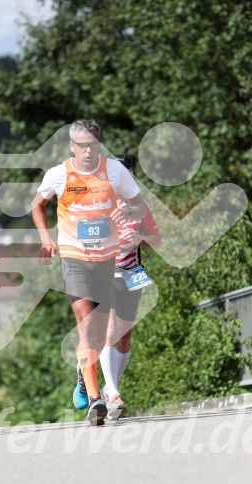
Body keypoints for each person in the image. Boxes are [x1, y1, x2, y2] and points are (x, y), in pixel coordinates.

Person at [32, 120, 147, 425]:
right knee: (85, 327)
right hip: (74, 258)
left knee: (97, 332)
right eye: (82, 145)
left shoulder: (114, 171)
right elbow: (37, 205)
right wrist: (46, 237)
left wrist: (129, 211)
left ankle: (85, 377)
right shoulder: (58, 174)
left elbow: (139, 205)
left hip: (106, 259)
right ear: (72, 146)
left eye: (93, 144)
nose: (87, 150)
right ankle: (96, 399)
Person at [73, 154, 161, 419]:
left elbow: (158, 241)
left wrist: (141, 238)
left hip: (132, 274)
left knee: (123, 338)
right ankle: (112, 393)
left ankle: (105, 386)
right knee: (109, 332)